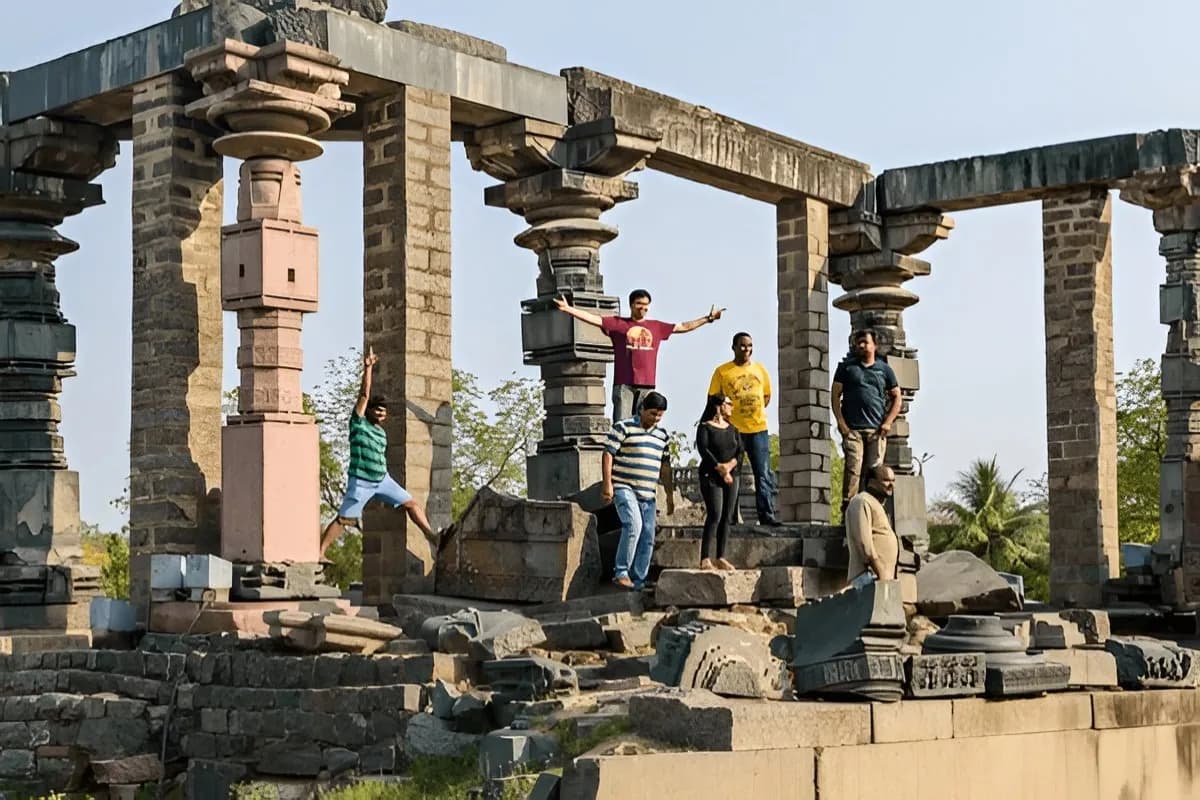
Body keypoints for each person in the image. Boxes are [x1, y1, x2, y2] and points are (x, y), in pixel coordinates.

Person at [319, 347, 438, 559]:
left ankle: (431, 535)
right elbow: (364, 395)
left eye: (383, 411)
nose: (380, 413)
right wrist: (369, 369)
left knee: (411, 503)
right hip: (361, 481)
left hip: (382, 480)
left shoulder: (381, 434)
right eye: (376, 409)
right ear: (369, 411)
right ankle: (319, 552)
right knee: (346, 519)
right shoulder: (358, 424)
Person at [554, 289, 725, 422]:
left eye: (645, 304)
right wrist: (568, 309)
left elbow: (684, 326)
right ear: (631, 305)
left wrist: (707, 318)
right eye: (638, 304)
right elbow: (594, 319)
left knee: (643, 424)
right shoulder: (619, 324)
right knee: (622, 424)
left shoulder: (656, 326)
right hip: (624, 384)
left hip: (647, 384)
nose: (642, 308)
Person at [707, 332, 780, 526]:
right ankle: (730, 516)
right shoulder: (723, 371)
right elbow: (714, 399)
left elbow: (766, 397)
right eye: (742, 345)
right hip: (732, 431)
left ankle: (766, 515)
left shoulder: (760, 370)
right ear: (733, 347)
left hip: (757, 428)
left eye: (749, 346)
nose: (746, 349)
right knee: (732, 474)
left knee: (763, 473)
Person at [602, 391, 670, 590]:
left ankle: (639, 579)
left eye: (659, 415)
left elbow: (665, 467)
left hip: (648, 492)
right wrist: (608, 485)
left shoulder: (662, 435)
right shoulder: (623, 428)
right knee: (633, 525)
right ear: (642, 410)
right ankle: (621, 572)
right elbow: (608, 454)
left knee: (648, 536)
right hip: (624, 486)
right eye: (652, 414)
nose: (655, 418)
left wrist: (669, 495)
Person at [831, 329, 902, 514]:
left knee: (875, 474)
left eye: (864, 342)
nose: (861, 345)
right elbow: (835, 394)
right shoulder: (847, 368)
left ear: (874, 345)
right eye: (858, 342)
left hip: (876, 431)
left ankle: (874, 514)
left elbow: (897, 397)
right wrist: (841, 423)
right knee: (853, 471)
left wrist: (888, 422)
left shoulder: (884, 369)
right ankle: (848, 515)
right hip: (853, 430)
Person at [696, 393, 744, 571]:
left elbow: (740, 451)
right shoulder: (705, 428)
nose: (731, 406)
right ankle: (705, 558)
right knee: (715, 513)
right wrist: (720, 468)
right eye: (728, 403)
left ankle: (721, 556)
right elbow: (704, 450)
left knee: (727, 516)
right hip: (712, 475)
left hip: (733, 475)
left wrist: (730, 467)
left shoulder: (733, 429)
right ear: (719, 406)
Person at [844, 464, 900, 582]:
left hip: (879, 577)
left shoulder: (877, 504)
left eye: (893, 480)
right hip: (869, 576)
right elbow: (865, 544)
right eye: (886, 480)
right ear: (872, 482)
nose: (891, 485)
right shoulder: (862, 501)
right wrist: (880, 572)